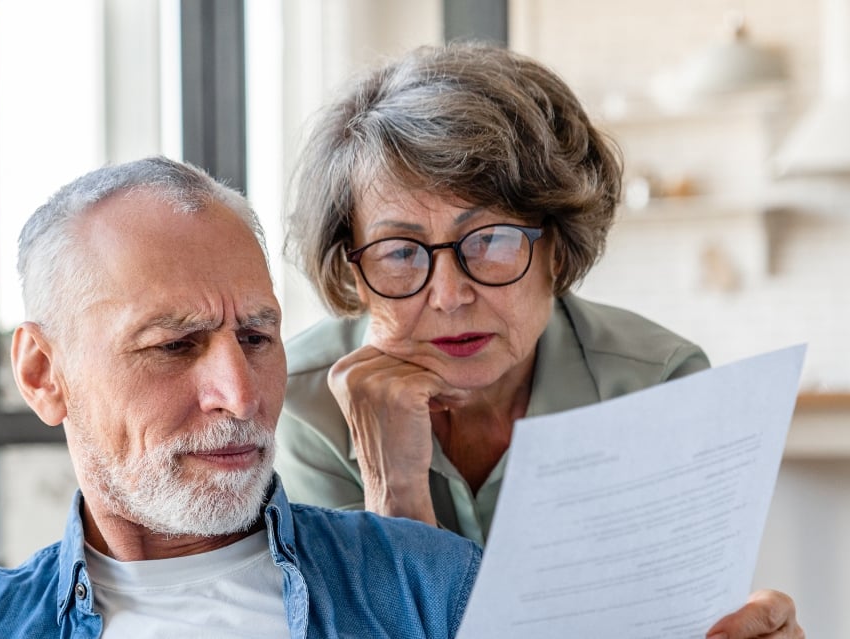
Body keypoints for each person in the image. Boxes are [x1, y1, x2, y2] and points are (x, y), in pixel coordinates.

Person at [0, 157, 480, 638]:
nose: (239, 394)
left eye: (257, 336)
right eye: (174, 345)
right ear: (42, 373)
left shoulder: (433, 589)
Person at [274, 43, 804, 638]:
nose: (449, 295)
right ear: (353, 272)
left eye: (493, 240)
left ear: (558, 247)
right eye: (400, 252)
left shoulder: (656, 383)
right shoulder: (299, 403)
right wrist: (394, 490)